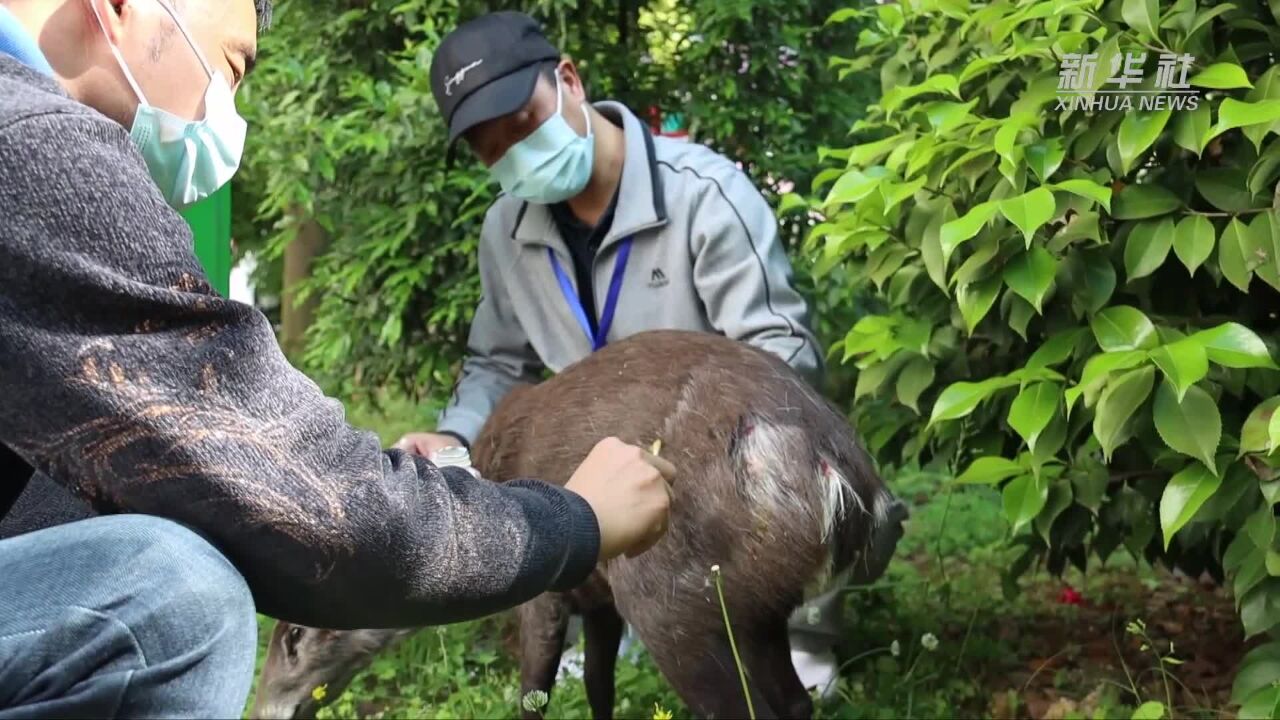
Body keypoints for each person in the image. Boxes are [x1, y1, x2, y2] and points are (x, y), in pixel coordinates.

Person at [0, 1, 674, 716]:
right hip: (594, 473)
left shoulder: (702, 193)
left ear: (568, 80)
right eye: (232, 67)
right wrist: (576, 520)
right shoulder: (35, 141)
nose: (223, 114)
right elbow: (315, 504)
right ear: (119, 7)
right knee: (173, 598)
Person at [395, 11, 901, 698]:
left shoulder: (705, 193)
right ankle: (640, 616)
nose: (513, 153)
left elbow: (780, 354)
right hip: (614, 500)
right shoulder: (506, 230)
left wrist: (694, 462)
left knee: (758, 668)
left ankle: (794, 627)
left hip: (725, 466)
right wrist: (454, 438)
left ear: (568, 80)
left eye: (521, 123)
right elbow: (498, 364)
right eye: (490, 150)